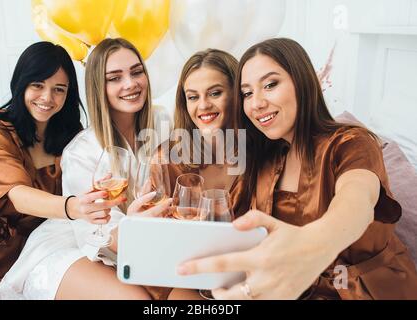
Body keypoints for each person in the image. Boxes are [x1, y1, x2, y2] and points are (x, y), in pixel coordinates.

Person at [177, 38, 417, 299]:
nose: (256, 103)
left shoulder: (351, 143)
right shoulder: (264, 160)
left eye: (270, 85)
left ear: (302, 83)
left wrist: (315, 244)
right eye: (247, 93)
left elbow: (357, 201)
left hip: (369, 291)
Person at [0, 38, 184, 300]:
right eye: (114, 78)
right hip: (76, 244)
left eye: (136, 72)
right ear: (98, 86)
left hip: (140, 242)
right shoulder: (82, 151)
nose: (130, 83)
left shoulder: (164, 123)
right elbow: (96, 236)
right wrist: (135, 229)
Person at [0, 41, 96, 299]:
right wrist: (74, 207)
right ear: (21, 84)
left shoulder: (73, 141)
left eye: (58, 89)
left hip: (20, 260)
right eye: (38, 85)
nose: (47, 98)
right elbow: (18, 195)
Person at [162, 48, 247, 217]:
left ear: (237, 93)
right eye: (193, 97)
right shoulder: (165, 162)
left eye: (215, 93)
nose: (203, 105)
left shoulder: (265, 157)